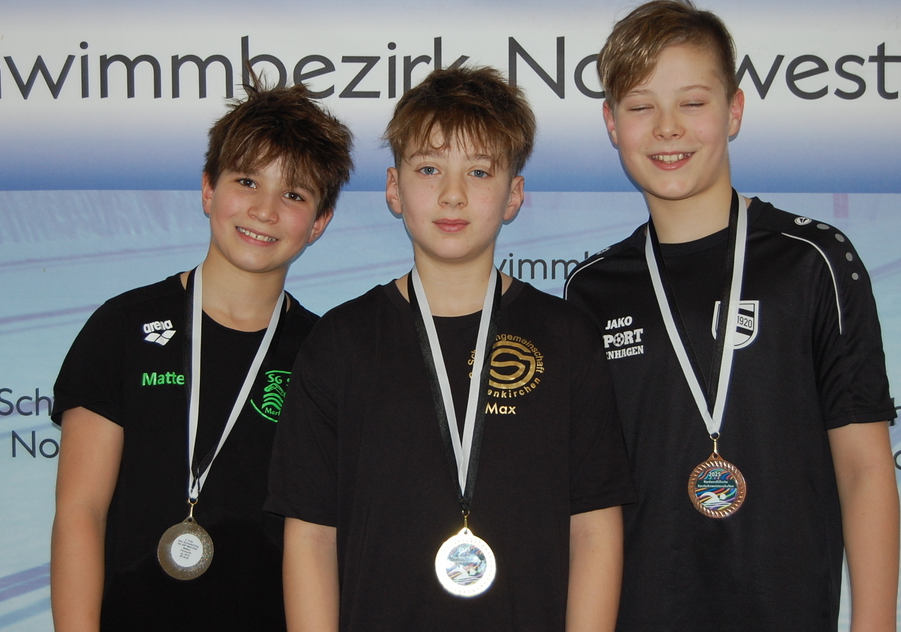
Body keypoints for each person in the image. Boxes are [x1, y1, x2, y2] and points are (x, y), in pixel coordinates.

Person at [564, 0, 899, 632]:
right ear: (611, 123)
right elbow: (590, 504)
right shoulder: (592, 290)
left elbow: (863, 467)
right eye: (641, 106)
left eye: (692, 103)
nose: (668, 128)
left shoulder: (813, 260)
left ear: (734, 109)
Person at [266, 66, 635, 632]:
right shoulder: (341, 341)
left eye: (479, 171)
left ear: (513, 195)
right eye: (429, 169)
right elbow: (312, 534)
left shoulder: (566, 337)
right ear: (394, 188)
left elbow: (593, 527)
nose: (453, 194)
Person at [49, 78, 354, 631]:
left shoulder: (325, 353)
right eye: (247, 181)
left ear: (319, 223)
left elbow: (323, 537)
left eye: (293, 195)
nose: (264, 210)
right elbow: (80, 512)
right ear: (209, 189)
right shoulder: (123, 326)